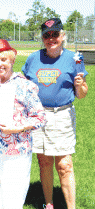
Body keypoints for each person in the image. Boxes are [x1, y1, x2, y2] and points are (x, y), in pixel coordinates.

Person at [22, 18, 88, 209]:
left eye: (55, 34)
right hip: (37, 115)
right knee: (43, 161)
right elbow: (23, 86)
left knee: (64, 165)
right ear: (42, 38)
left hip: (61, 115)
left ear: (63, 36)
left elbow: (82, 95)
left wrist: (79, 86)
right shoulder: (33, 59)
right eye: (47, 35)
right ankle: (48, 203)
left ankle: (71, 206)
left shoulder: (74, 58)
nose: (51, 38)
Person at [0, 39, 46, 209]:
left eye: (3, 59)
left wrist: (18, 127)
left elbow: (40, 117)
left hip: (16, 148)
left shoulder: (24, 85)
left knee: (12, 197)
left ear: (12, 60)